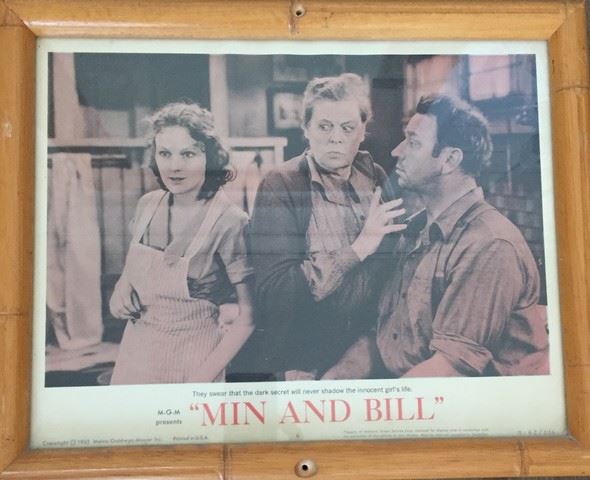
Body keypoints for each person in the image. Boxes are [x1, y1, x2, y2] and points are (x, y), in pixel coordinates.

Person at [325, 94, 548, 379]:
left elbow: (449, 370)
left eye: (413, 142)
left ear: (449, 160)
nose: (396, 151)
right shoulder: (413, 232)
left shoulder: (489, 245)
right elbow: (383, 338)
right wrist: (333, 382)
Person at [248, 73, 407, 381]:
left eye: (347, 128)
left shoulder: (375, 177)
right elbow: (275, 295)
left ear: (362, 132)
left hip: (370, 349)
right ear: (306, 129)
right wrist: (358, 249)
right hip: (303, 356)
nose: (336, 138)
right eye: (324, 126)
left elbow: (395, 268)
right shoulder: (281, 184)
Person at [109, 102, 254, 385]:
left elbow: (249, 317)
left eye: (188, 154)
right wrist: (121, 288)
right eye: (165, 153)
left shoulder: (230, 221)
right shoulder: (147, 205)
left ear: (210, 157)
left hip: (195, 360)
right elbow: (134, 269)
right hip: (135, 356)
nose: (174, 166)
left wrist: (201, 379)